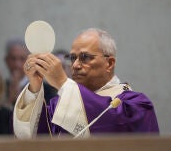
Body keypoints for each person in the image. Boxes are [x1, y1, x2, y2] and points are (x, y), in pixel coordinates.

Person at [13, 28, 159, 139]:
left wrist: (61, 82)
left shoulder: (135, 106)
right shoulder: (59, 105)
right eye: (72, 58)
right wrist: (34, 88)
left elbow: (112, 125)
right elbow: (34, 139)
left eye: (85, 57)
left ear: (109, 63)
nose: (75, 65)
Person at [4, 38, 57, 108]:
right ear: (6, 60)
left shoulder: (44, 89)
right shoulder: (0, 87)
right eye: (13, 59)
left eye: (22, 59)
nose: (17, 64)